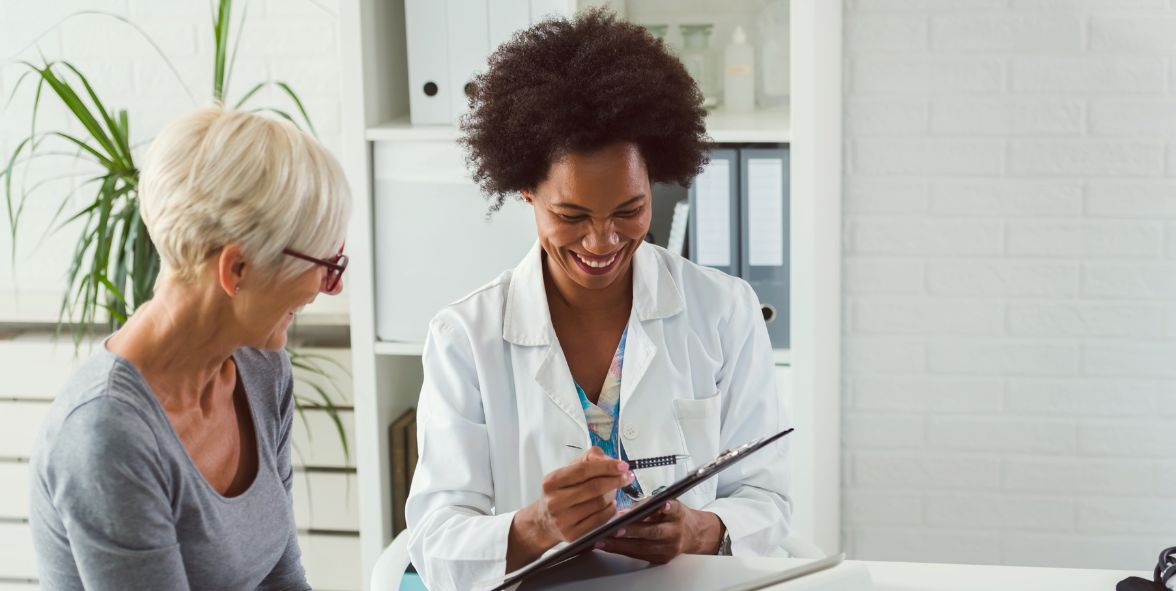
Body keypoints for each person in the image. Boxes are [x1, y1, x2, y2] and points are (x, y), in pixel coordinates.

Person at [405, 10, 792, 590]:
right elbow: (434, 540)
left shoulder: (725, 310)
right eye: (571, 215)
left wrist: (700, 530)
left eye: (629, 211)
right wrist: (534, 528)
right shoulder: (465, 336)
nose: (602, 241)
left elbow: (769, 497)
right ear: (525, 189)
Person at [29, 106, 350, 590]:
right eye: (324, 263)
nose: (331, 287)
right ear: (236, 269)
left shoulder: (263, 370)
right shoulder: (106, 432)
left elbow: (281, 579)